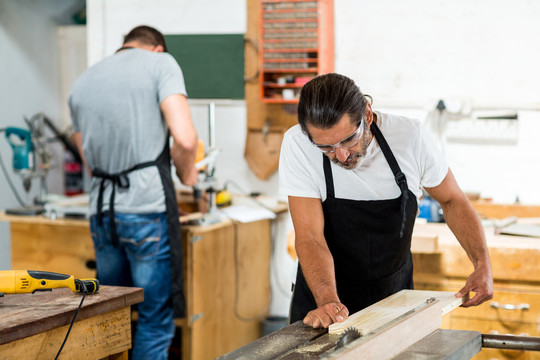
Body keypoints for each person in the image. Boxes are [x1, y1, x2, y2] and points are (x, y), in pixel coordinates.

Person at [278, 73, 493, 329]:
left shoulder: (410, 137)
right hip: (323, 301)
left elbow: (452, 200)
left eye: (349, 139)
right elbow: (310, 236)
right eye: (327, 148)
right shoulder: (298, 144)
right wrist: (328, 303)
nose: (342, 155)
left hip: (394, 301)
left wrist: (482, 264)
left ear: (367, 114)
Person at [69, 25, 198, 359]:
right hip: (146, 211)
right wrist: (189, 175)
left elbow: (88, 159)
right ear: (156, 48)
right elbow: (184, 138)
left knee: (112, 314)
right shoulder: (161, 64)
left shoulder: (83, 81)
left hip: (102, 213)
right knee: (154, 319)